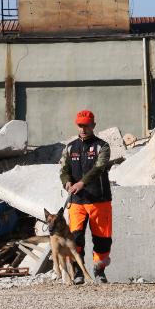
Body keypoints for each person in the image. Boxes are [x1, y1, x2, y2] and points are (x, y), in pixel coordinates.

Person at [60, 110, 112, 284]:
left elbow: (99, 168)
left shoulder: (102, 146)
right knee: (76, 237)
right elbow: (64, 170)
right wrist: (67, 182)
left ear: (93, 126)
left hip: (100, 199)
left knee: (102, 239)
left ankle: (99, 271)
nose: (83, 128)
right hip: (77, 201)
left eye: (86, 125)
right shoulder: (69, 148)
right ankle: (78, 272)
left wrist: (81, 183)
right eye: (80, 125)